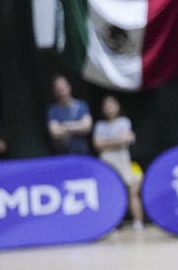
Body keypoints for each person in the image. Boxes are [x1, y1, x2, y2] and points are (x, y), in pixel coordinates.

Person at [93, 96, 144, 231]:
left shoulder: (124, 122)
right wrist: (117, 140)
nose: (109, 108)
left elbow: (126, 138)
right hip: (106, 161)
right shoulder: (100, 125)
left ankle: (138, 222)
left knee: (131, 191)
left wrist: (107, 142)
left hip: (123, 160)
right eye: (106, 106)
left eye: (112, 105)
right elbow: (97, 144)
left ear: (118, 106)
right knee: (109, 194)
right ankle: (111, 224)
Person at [47, 75, 92, 155]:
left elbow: (86, 126)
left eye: (63, 88)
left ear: (69, 87)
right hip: (62, 154)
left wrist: (64, 126)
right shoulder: (52, 110)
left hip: (82, 153)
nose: (62, 92)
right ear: (54, 92)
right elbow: (55, 133)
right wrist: (77, 125)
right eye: (58, 90)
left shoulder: (81, 105)